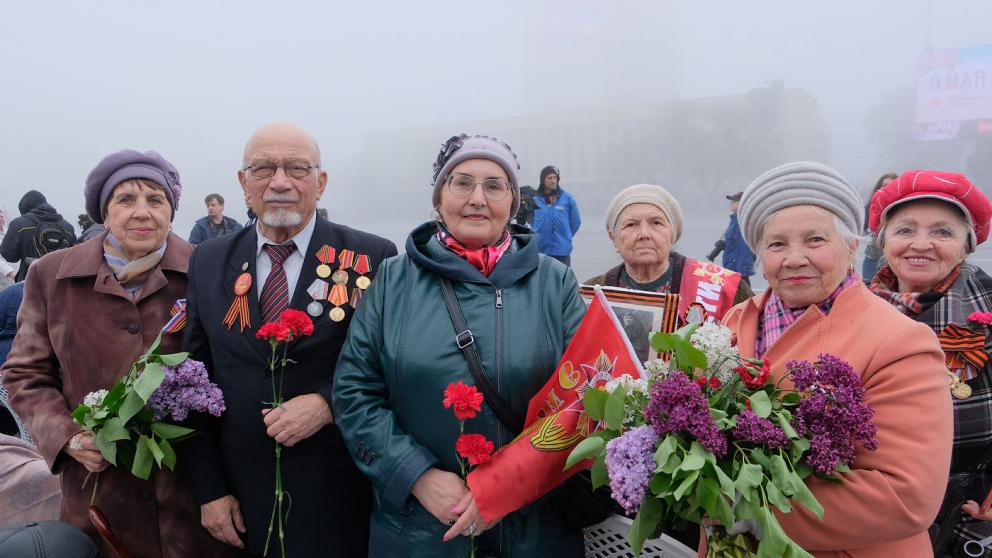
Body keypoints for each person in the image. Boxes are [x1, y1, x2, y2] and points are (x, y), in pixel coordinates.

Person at [332, 134, 588, 556]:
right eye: (462, 182)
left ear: (512, 200)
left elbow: (583, 396)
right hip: (420, 529)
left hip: (532, 529)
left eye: (494, 185)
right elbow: (354, 391)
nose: (477, 198)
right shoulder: (394, 281)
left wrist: (507, 487)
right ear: (439, 198)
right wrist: (415, 474)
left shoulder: (553, 282)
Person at [710, 161, 952, 557]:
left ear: (852, 246)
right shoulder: (738, 321)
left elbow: (905, 495)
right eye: (776, 244)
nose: (794, 258)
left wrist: (749, 510)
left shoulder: (901, 342)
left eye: (815, 240)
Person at [181, 122, 397, 556]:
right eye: (263, 168)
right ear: (243, 183)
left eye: (297, 168)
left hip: (340, 490)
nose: (280, 182)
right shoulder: (208, 259)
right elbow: (193, 383)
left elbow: (393, 366)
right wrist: (209, 490)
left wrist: (327, 403)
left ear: (321, 182)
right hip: (242, 498)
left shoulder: (374, 257)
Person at [1, 149, 230, 557]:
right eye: (126, 199)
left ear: (172, 212)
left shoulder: (206, 270)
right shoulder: (53, 276)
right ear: (104, 213)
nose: (142, 212)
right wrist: (68, 437)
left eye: (155, 200)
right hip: (98, 497)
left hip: (191, 499)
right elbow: (24, 374)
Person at [866, 169, 992, 556]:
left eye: (942, 232)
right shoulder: (854, 305)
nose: (921, 244)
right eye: (905, 230)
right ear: (883, 242)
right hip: (871, 505)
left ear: (967, 246)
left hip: (966, 506)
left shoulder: (986, 301)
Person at [585, 184, 752, 323]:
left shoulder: (727, 289)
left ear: (673, 234)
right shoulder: (592, 293)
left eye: (656, 223)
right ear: (613, 237)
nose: (644, 234)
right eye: (631, 225)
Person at [0, 191, 76, 282]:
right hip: (60, 285)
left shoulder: (19, 224)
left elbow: (9, 256)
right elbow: (73, 259)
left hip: (29, 284)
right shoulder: (68, 227)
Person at [532, 165, 581, 266]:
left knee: (562, 280)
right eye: (549, 178)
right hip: (541, 249)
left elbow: (576, 222)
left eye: (555, 178)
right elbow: (531, 221)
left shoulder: (567, 198)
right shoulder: (535, 200)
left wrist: (566, 235)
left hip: (562, 250)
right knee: (542, 280)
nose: (553, 181)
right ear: (543, 180)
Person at [706, 191, 756, 285]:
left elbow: (744, 247)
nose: (731, 203)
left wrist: (737, 269)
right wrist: (722, 246)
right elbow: (734, 241)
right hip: (732, 268)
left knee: (742, 297)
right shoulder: (735, 220)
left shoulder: (743, 222)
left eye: (734, 200)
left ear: (743, 203)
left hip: (738, 270)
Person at [861, 172, 898, 280]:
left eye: (891, 185)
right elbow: (863, 231)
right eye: (884, 185)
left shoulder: (901, 209)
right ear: (879, 187)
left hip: (892, 262)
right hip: (871, 259)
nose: (887, 188)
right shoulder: (870, 207)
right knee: (868, 291)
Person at [0, 210, 16, 289]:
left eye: (1, 217)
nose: (0, 219)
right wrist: (10, 272)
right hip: (5, 275)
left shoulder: (10, 232)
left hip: (17, 270)